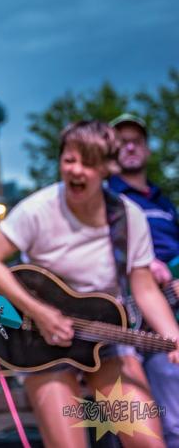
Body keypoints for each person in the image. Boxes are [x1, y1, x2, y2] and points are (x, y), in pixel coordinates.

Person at [0, 120, 179, 448]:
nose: (77, 171)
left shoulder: (129, 217)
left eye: (89, 163)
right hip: (42, 344)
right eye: (69, 160)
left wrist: (174, 336)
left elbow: (144, 288)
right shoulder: (37, 209)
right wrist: (40, 313)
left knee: (147, 441)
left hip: (106, 336)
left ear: (107, 168)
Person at [110, 113, 179, 447]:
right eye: (121, 142)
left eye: (136, 140)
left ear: (147, 149)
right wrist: (143, 262)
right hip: (129, 306)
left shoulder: (163, 201)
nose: (130, 147)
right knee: (136, 416)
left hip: (169, 303)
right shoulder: (107, 196)